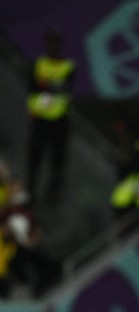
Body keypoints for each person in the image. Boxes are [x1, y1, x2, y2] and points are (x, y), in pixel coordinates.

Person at [26, 29, 75, 202]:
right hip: (40, 118)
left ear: (60, 44)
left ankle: (54, 192)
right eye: (50, 41)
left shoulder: (68, 66)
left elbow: (65, 87)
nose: (53, 45)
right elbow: (32, 87)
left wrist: (45, 84)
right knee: (35, 157)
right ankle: (30, 190)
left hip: (59, 119)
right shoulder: (39, 63)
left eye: (56, 41)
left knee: (58, 159)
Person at [109, 118, 139, 237]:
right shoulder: (137, 149)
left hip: (134, 199)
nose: (121, 137)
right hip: (126, 199)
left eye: (124, 134)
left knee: (130, 231)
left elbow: (132, 168)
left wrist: (123, 159)